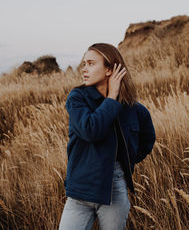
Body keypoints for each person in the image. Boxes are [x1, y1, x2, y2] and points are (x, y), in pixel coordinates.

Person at [59, 43, 156, 230]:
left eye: (90, 63)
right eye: (84, 63)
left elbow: (147, 141)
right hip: (80, 191)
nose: (84, 69)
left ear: (110, 70)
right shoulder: (77, 98)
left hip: (115, 191)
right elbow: (90, 130)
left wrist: (123, 164)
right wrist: (112, 96)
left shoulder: (134, 109)